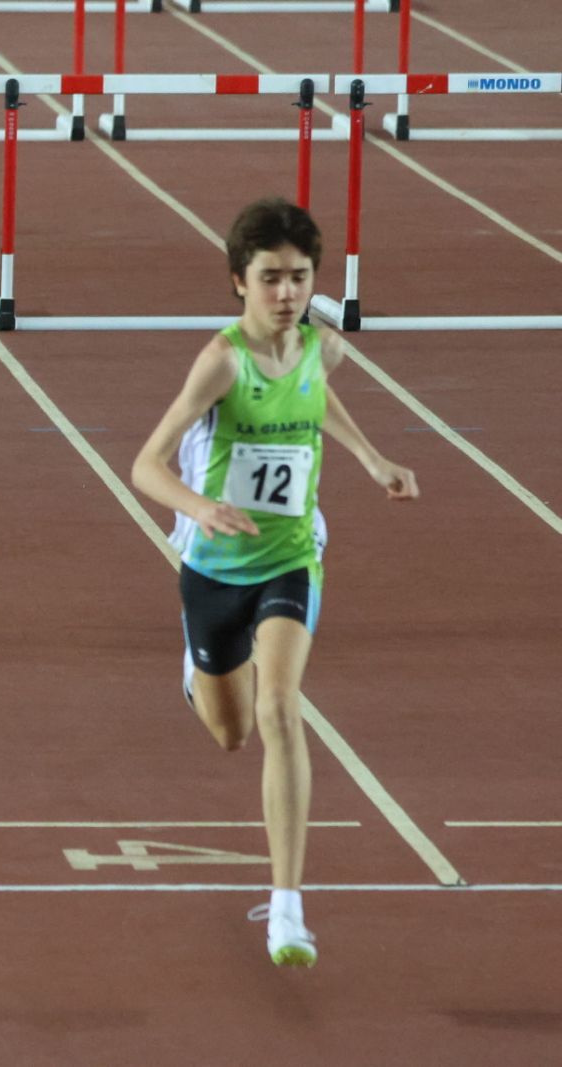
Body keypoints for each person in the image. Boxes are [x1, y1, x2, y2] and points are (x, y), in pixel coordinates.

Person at [130, 198, 419, 968]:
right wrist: (201, 507)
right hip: (213, 565)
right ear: (239, 281)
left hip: (291, 557)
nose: (286, 292)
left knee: (280, 708)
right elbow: (144, 464)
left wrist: (371, 458)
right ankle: (197, 670)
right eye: (269, 278)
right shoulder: (221, 362)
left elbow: (317, 395)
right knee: (231, 731)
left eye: (298, 277)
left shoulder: (325, 348)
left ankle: (287, 909)